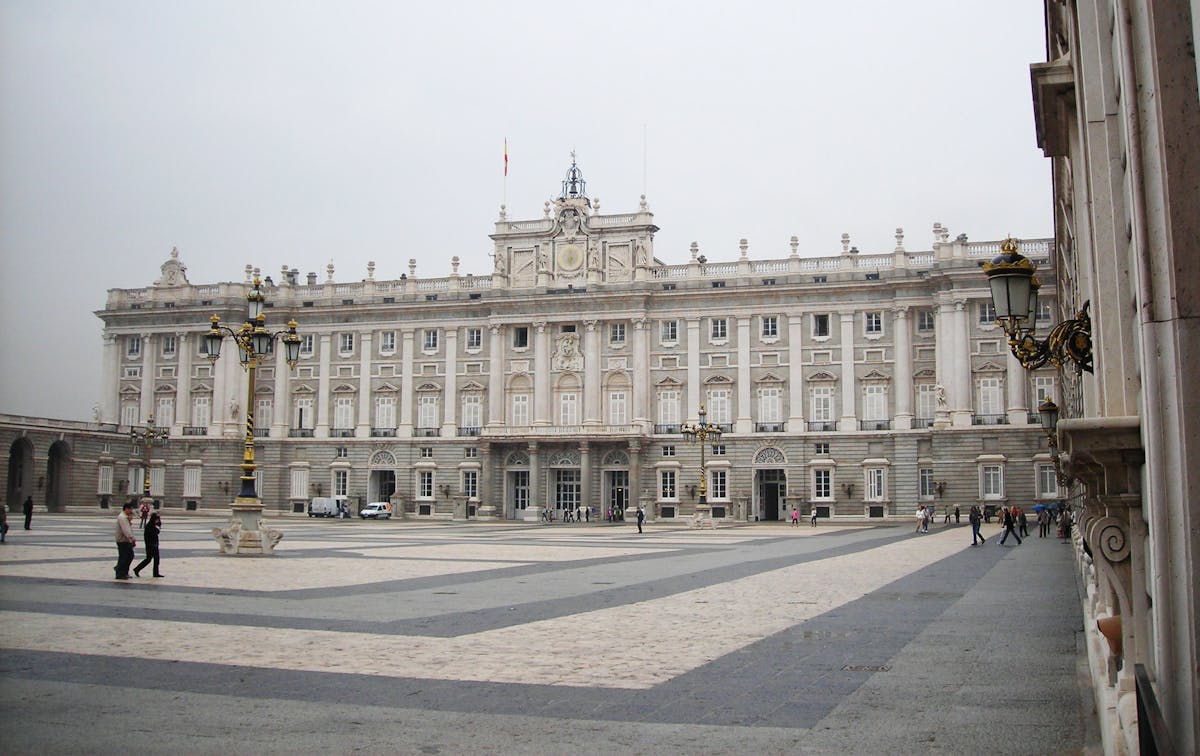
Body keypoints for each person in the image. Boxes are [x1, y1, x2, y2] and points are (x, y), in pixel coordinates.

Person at [133, 512, 163, 577]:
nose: (157, 521)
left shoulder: (152, 525)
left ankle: (155, 573)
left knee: (154, 559)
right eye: (156, 519)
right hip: (151, 545)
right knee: (149, 559)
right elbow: (155, 532)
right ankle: (137, 569)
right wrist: (157, 527)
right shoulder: (150, 526)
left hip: (154, 544)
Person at [114, 502, 137, 579]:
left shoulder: (125, 517)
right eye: (130, 509)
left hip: (125, 540)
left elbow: (128, 527)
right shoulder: (123, 517)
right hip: (123, 540)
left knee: (127, 556)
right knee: (125, 557)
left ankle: (123, 571)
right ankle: (120, 572)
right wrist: (131, 538)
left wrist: (129, 521)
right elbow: (126, 530)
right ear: (126, 509)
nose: (131, 511)